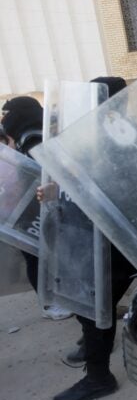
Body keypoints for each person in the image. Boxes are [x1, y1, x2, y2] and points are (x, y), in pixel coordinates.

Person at [49, 77, 137, 400]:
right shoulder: (108, 133)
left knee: (96, 306)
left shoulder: (123, 136)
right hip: (111, 238)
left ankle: (99, 377)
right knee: (94, 308)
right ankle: (97, 368)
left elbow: (122, 188)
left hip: (120, 240)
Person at [1, 96, 73, 321]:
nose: (5, 118)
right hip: (25, 209)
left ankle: (56, 300)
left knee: (43, 256)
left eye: (8, 113)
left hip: (28, 208)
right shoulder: (30, 137)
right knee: (36, 257)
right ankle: (50, 304)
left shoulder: (29, 136)